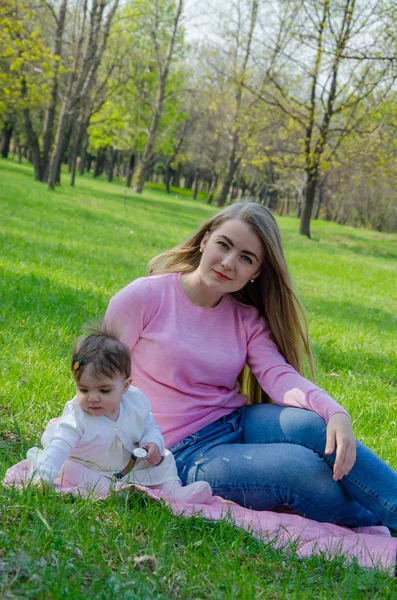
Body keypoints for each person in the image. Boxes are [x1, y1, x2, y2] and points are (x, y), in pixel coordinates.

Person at [104, 201, 397, 528]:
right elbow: (101, 372)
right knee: (296, 468)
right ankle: (380, 517)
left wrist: (336, 413)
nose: (229, 263)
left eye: (246, 258)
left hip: (237, 421)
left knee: (313, 426)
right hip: (178, 452)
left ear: (256, 273)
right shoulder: (143, 298)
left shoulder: (246, 318)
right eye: (224, 245)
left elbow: (279, 376)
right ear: (205, 240)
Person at [23, 327, 212, 502]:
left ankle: (175, 492)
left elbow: (149, 426)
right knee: (70, 469)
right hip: (90, 465)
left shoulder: (136, 401)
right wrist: (42, 477)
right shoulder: (76, 417)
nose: (92, 398)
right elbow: (58, 448)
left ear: (125, 386)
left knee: (165, 458)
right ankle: (113, 492)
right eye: (84, 390)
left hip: (128, 463)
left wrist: (153, 442)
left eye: (103, 391)